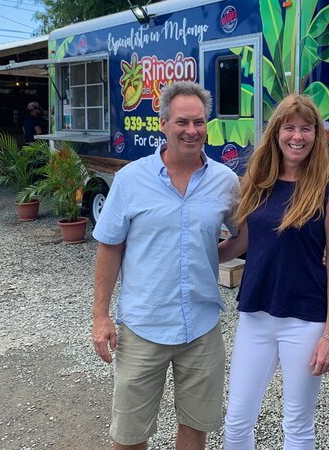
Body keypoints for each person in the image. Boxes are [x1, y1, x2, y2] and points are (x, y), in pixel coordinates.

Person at [91, 81, 240, 450]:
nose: (192, 130)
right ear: (163, 124)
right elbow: (109, 247)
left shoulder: (225, 181)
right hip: (144, 326)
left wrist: (211, 257)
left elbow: (244, 237)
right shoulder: (131, 179)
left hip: (201, 327)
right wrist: (100, 316)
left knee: (195, 427)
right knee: (130, 435)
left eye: (199, 122)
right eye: (182, 122)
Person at [218, 94, 329, 450]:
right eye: (289, 127)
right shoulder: (259, 182)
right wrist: (197, 256)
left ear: (316, 135)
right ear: (276, 132)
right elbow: (243, 241)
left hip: (304, 321)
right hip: (256, 314)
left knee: (297, 425)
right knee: (236, 421)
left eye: (306, 128)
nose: (297, 136)